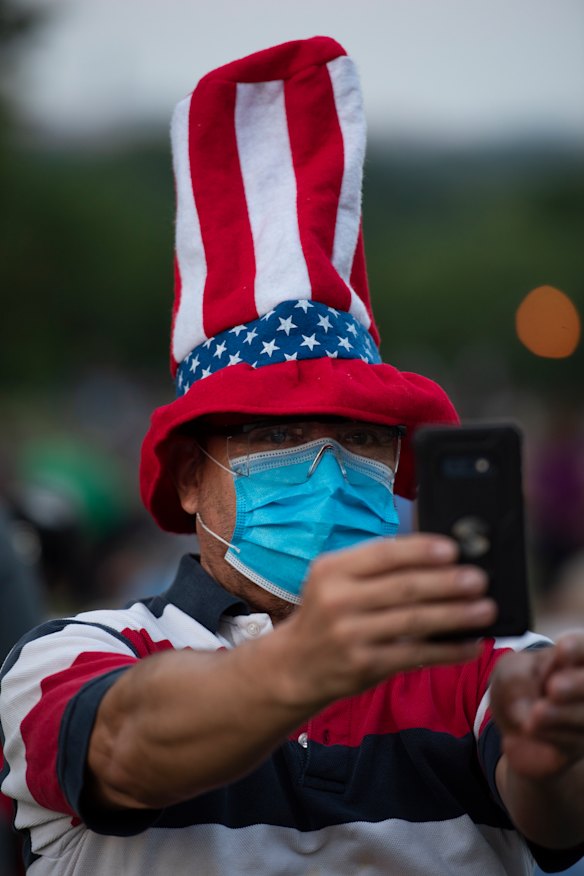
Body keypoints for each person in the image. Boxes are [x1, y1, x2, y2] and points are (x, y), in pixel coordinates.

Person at [1, 36, 583, 876]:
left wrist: (549, 756)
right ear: (192, 479)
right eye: (274, 436)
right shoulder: (77, 651)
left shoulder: (488, 663)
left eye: (362, 438)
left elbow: (554, 806)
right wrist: (305, 664)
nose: (330, 464)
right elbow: (125, 744)